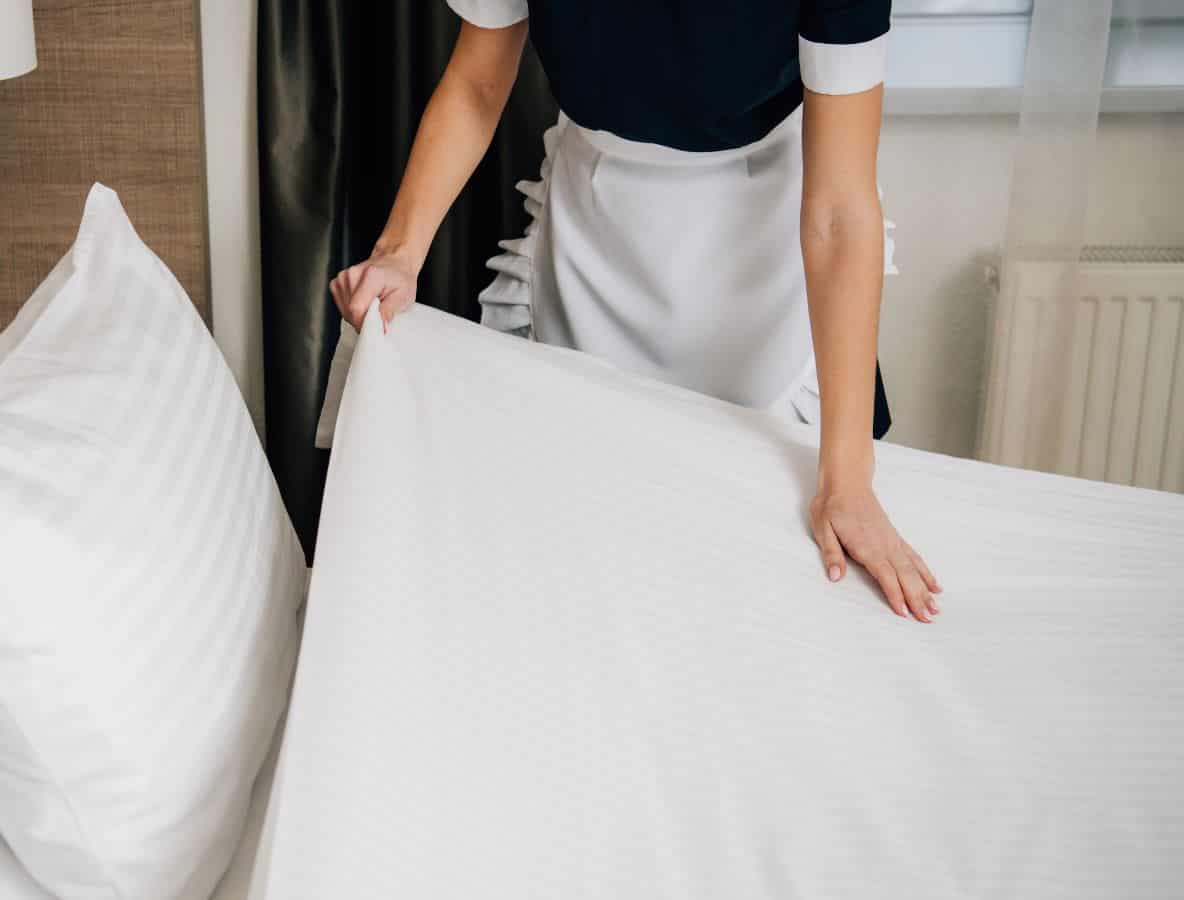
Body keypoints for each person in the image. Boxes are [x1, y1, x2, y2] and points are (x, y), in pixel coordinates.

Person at [328, 1, 943, 622]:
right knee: (579, 565)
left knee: (753, 585)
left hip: (763, 252)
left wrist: (848, 483)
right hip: (595, 234)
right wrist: (399, 254)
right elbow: (476, 83)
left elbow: (839, 211)